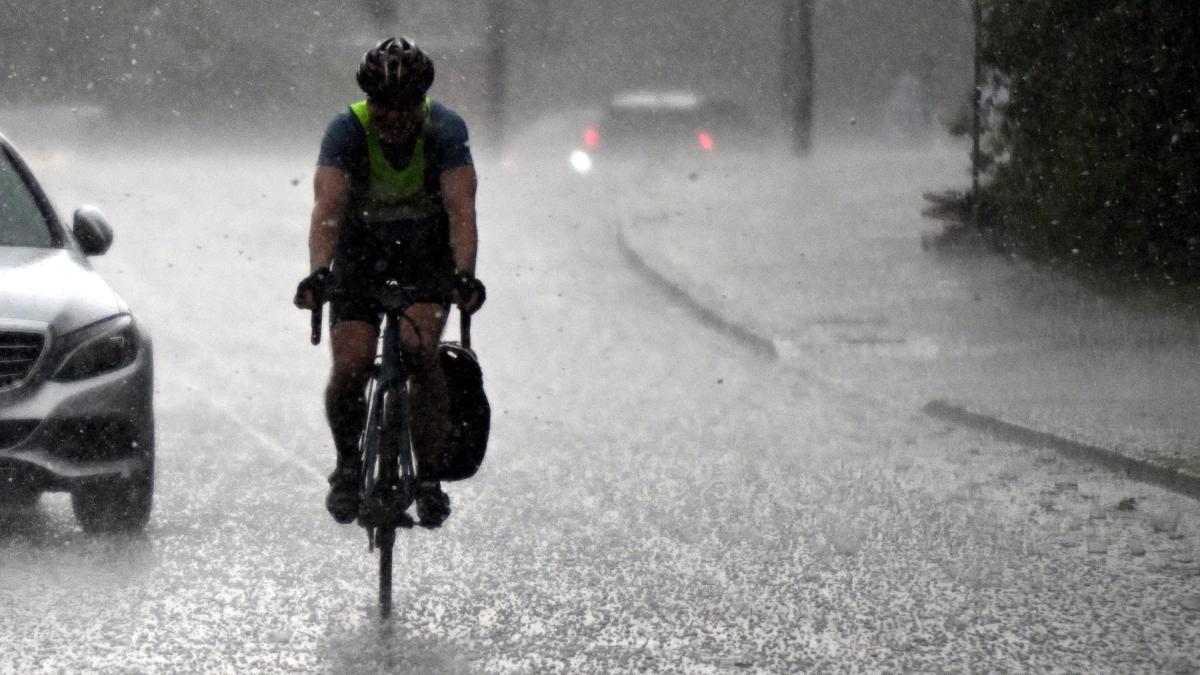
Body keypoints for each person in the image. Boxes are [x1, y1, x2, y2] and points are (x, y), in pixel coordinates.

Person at [293, 37, 485, 527]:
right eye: (382, 106)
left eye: (404, 107)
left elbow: (461, 212)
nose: (392, 118)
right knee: (351, 365)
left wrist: (464, 276)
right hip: (360, 256)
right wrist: (319, 272)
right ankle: (348, 466)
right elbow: (327, 210)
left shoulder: (444, 130)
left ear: (420, 102)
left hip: (426, 257)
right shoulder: (346, 130)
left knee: (418, 350)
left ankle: (427, 475)